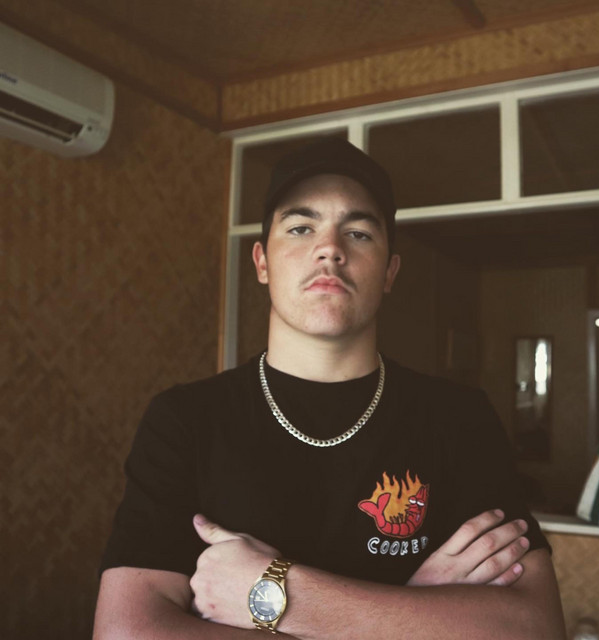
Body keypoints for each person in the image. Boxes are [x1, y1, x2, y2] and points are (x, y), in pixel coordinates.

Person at [93, 138, 566, 639]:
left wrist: (282, 595)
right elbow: (123, 633)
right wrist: (408, 613)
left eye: (358, 233)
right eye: (301, 227)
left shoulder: (459, 418)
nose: (330, 249)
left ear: (389, 272)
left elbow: (535, 628)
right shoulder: (186, 419)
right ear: (262, 262)